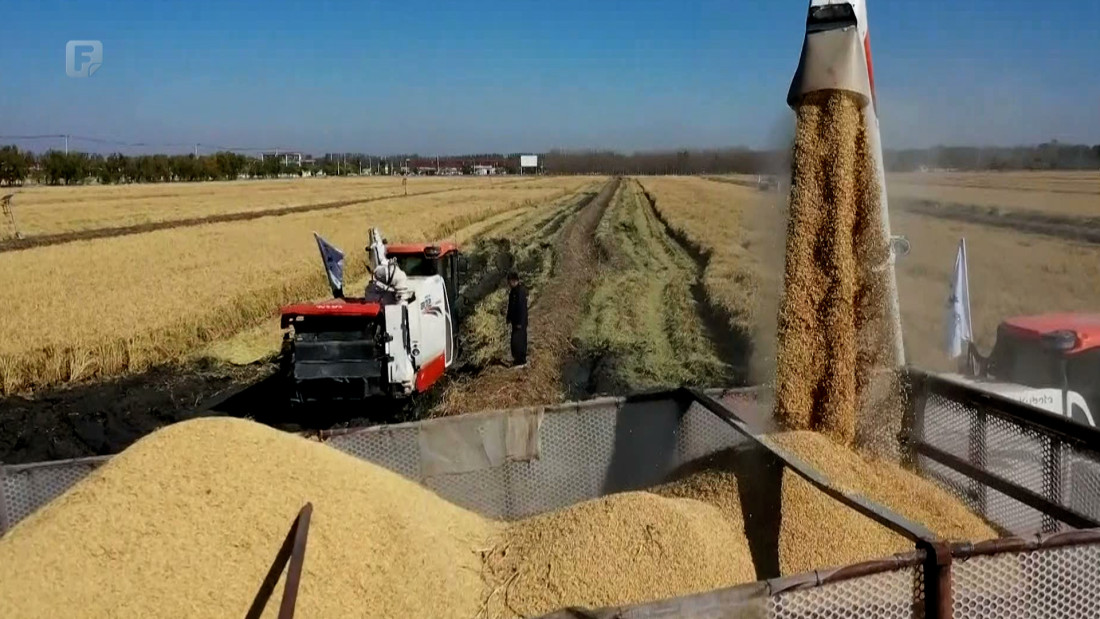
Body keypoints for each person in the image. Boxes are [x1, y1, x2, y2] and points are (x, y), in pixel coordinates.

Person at [506, 271, 528, 368]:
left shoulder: (520, 291)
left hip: (520, 322)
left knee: (519, 341)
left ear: (514, 281)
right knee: (514, 342)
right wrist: (509, 317)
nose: (509, 284)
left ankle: (521, 360)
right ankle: (516, 359)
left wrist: (520, 322)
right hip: (515, 321)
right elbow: (511, 306)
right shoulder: (513, 291)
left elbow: (521, 308)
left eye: (509, 282)